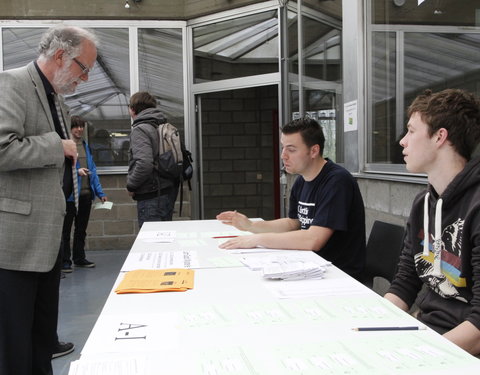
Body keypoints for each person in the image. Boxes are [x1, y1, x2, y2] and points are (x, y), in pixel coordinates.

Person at [0, 25, 98, 375]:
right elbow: (2, 148)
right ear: (60, 56)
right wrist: (55, 146)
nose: (84, 79)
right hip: (14, 244)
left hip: (45, 239)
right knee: (14, 347)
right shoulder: (11, 83)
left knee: (41, 341)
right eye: (83, 69)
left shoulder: (56, 96)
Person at [384, 89, 480, 355]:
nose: (403, 142)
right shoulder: (422, 204)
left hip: (461, 349)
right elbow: (405, 283)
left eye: (411, 131)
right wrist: (376, 322)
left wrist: (423, 353)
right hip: (429, 333)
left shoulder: (477, 207)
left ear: (440, 137)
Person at [217, 117, 366, 280]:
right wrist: (251, 225)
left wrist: (257, 239)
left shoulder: (337, 181)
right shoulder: (301, 180)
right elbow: (293, 223)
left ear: (314, 151)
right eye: (283, 148)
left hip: (339, 275)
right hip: (310, 265)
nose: (283, 156)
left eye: (291, 149)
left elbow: (313, 239)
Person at [61, 116, 107, 272]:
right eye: (76, 126)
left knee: (81, 230)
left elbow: (93, 171)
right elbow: (61, 170)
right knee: (65, 231)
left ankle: (79, 258)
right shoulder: (65, 146)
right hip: (70, 197)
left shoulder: (86, 146)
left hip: (86, 196)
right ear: (70, 128)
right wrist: (76, 171)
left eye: (81, 126)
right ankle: (65, 261)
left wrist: (100, 192)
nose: (79, 129)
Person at [126, 91, 180, 227]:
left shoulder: (140, 130)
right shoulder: (162, 125)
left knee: (151, 244)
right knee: (164, 239)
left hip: (151, 195)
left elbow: (144, 164)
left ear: (133, 109)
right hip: (168, 191)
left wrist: (131, 185)